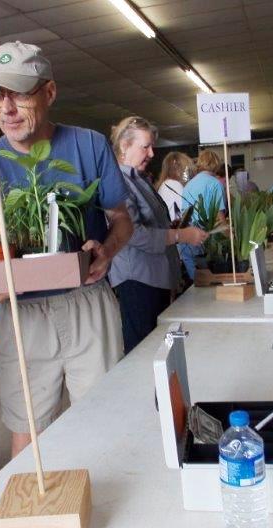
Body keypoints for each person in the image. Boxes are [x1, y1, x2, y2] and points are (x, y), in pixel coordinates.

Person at [0, 41, 133, 457]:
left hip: (86, 300)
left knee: (104, 416)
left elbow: (121, 219)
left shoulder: (88, 146)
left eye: (19, 93)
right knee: (28, 426)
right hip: (21, 313)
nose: (7, 108)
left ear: (49, 92)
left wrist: (106, 250)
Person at [108, 116, 207, 353]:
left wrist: (171, 227)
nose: (152, 153)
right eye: (146, 147)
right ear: (124, 146)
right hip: (138, 282)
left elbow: (151, 222)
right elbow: (133, 234)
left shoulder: (138, 179)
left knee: (160, 350)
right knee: (144, 351)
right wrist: (180, 235)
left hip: (155, 279)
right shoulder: (117, 182)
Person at [180, 149, 226, 279]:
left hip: (187, 239)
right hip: (206, 240)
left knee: (196, 282)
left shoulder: (188, 185)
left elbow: (184, 216)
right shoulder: (215, 183)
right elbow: (219, 217)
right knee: (210, 281)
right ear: (216, 164)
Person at [155, 151, 193, 221]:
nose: (188, 173)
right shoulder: (173, 184)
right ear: (178, 170)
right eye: (186, 169)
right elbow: (186, 211)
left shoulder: (166, 183)